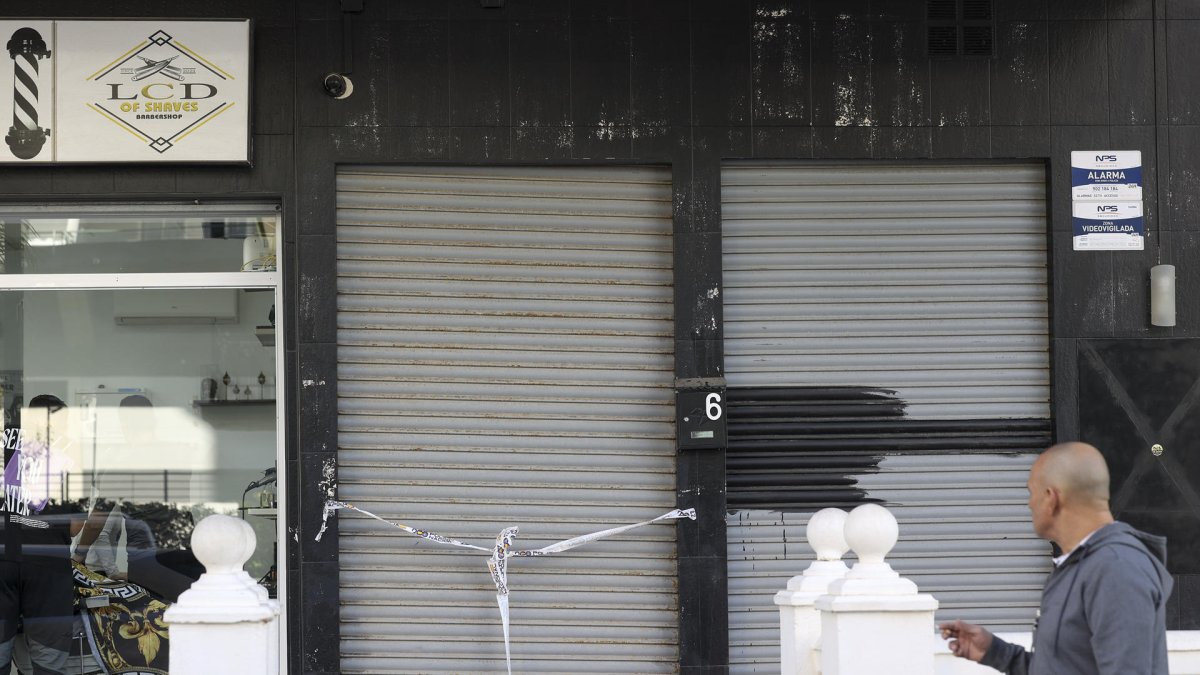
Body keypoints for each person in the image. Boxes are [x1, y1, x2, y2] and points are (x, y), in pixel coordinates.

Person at [939, 441, 1172, 675]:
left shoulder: (1116, 569)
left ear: (1051, 498)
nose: (1029, 504)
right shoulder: (1080, 566)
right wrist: (995, 652)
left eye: (1031, 493)